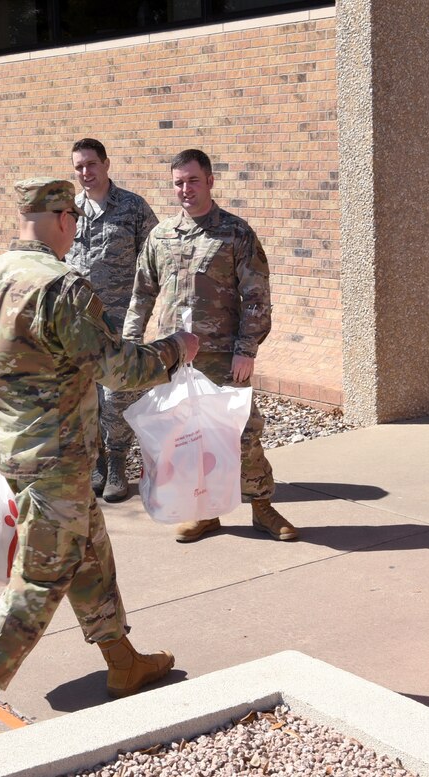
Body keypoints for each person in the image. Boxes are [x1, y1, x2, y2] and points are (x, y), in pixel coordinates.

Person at [0, 177, 199, 748]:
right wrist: (177, 350)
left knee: (90, 552)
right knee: (39, 580)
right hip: (59, 462)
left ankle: (122, 659)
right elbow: (116, 369)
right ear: (60, 217)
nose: (74, 227)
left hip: (21, 456)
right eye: (73, 218)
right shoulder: (63, 287)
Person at [124, 149, 299, 544]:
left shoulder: (235, 233)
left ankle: (261, 507)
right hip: (172, 359)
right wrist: (131, 347)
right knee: (184, 439)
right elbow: (141, 295)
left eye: (193, 180)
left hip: (222, 358)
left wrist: (247, 349)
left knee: (242, 434)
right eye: (179, 182)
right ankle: (203, 513)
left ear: (210, 181)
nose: (185, 189)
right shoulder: (160, 236)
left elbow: (257, 297)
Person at [66, 138, 159, 503]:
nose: (85, 173)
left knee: (117, 392)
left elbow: (153, 260)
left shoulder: (132, 207)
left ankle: (118, 463)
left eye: (91, 164)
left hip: (121, 318)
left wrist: (143, 312)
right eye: (79, 167)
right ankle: (97, 462)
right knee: (85, 393)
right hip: (78, 322)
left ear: (106, 164)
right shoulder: (68, 211)